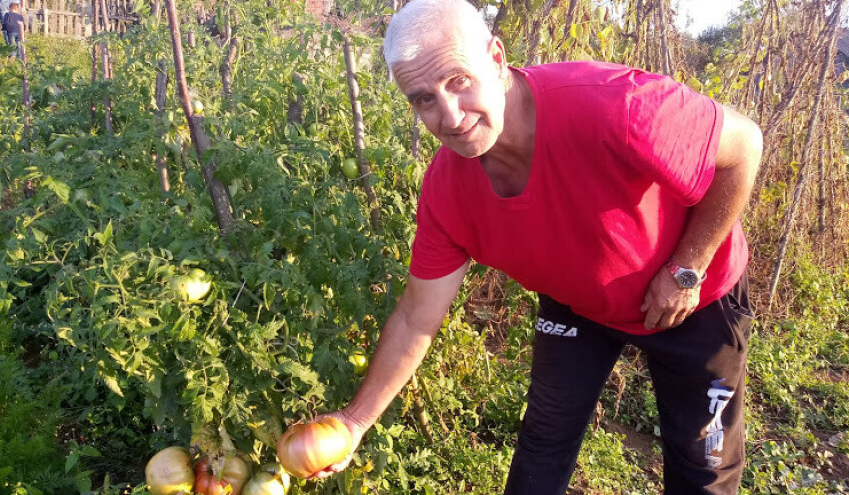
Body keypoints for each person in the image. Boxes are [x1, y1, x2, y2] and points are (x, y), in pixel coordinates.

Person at [314, 0, 763, 493]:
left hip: (692, 297)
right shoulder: (447, 192)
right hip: (577, 304)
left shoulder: (616, 106)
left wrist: (687, 268)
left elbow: (744, 148)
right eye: (423, 99)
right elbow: (415, 318)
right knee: (542, 446)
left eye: (458, 81)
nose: (450, 116)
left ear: (497, 57)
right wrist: (354, 423)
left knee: (703, 468)